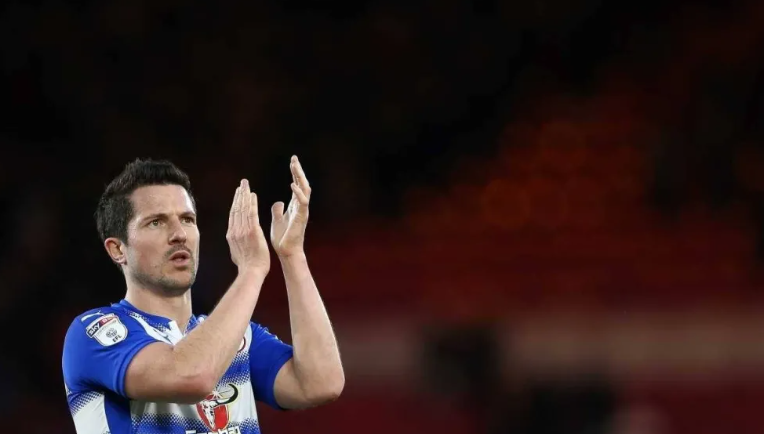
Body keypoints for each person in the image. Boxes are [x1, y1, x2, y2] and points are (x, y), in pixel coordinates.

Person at [62, 156, 344, 434]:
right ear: (117, 249)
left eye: (187, 219)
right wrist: (251, 270)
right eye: (156, 222)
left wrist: (292, 255)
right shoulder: (92, 334)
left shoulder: (237, 338)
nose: (179, 234)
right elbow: (191, 376)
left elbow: (320, 384)